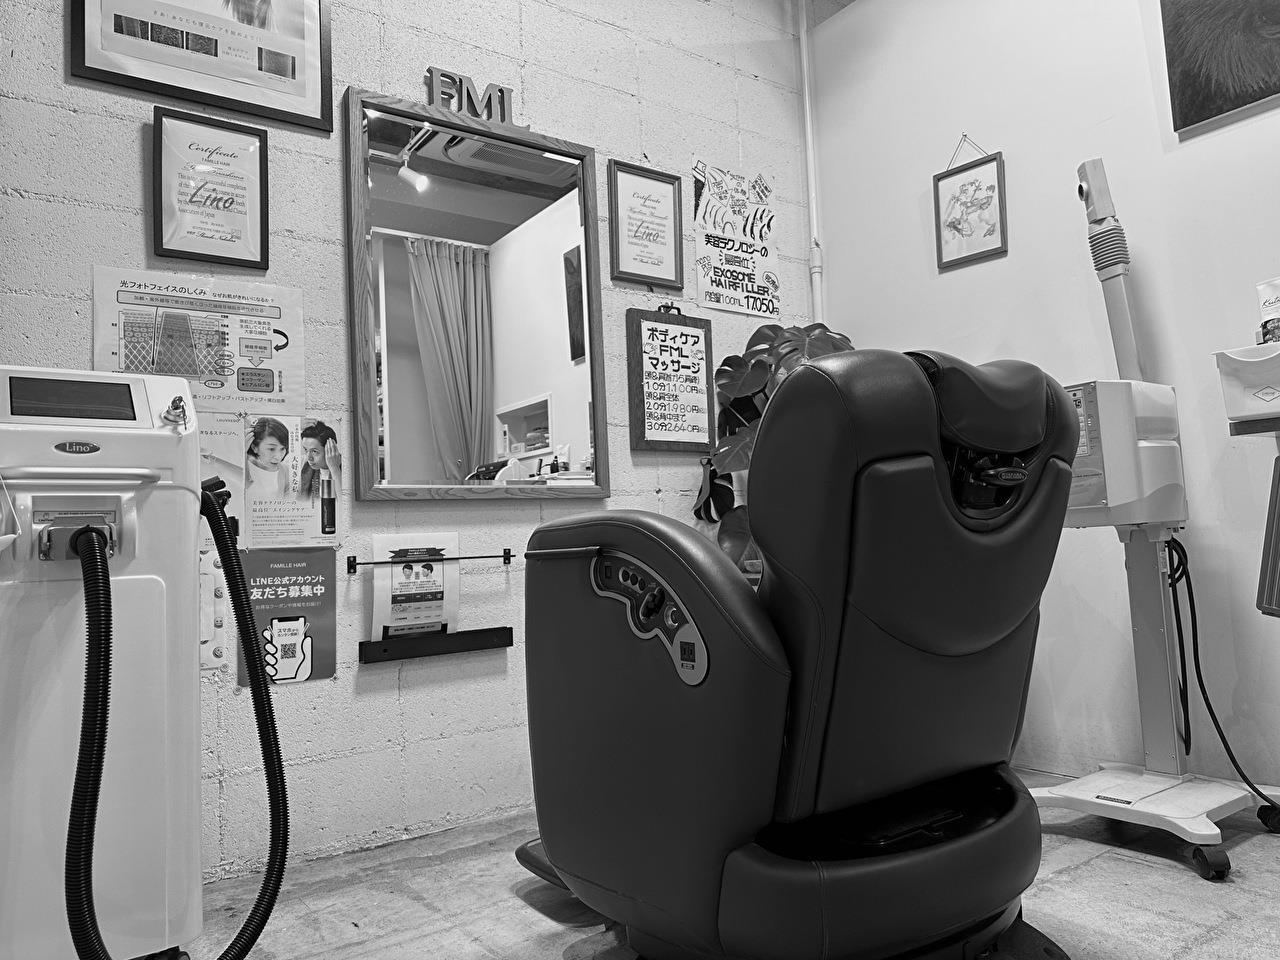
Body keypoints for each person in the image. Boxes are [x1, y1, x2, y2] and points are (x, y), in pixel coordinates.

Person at [297, 420, 342, 502]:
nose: (309, 458)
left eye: (314, 451)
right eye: (306, 450)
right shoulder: (304, 465)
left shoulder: (346, 469)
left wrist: (335, 469)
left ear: (330, 448)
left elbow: (345, 504)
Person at [246, 417, 291, 500]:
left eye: (282, 449)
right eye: (271, 449)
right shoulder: (243, 467)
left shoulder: (286, 471)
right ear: (255, 447)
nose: (278, 457)